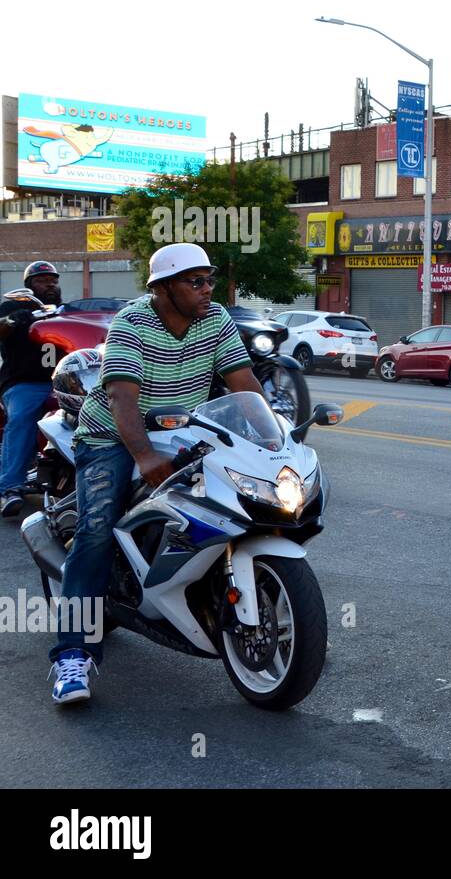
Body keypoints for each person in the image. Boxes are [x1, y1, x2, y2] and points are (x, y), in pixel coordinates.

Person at [47, 243, 265, 705]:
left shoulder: (215, 319)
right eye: (196, 281)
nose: (208, 289)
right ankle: (72, 654)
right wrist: (144, 458)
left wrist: (272, 436)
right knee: (96, 530)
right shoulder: (132, 323)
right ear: (163, 288)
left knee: (237, 503)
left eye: (210, 279)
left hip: (182, 429)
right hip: (112, 436)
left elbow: (243, 383)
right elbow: (123, 401)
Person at [0, 261, 63, 517]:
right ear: (28, 287)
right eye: (42, 280)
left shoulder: (63, 310)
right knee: (23, 417)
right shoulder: (15, 307)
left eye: (53, 280)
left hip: (63, 382)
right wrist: (14, 319)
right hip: (24, 382)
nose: (49, 284)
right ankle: (9, 488)